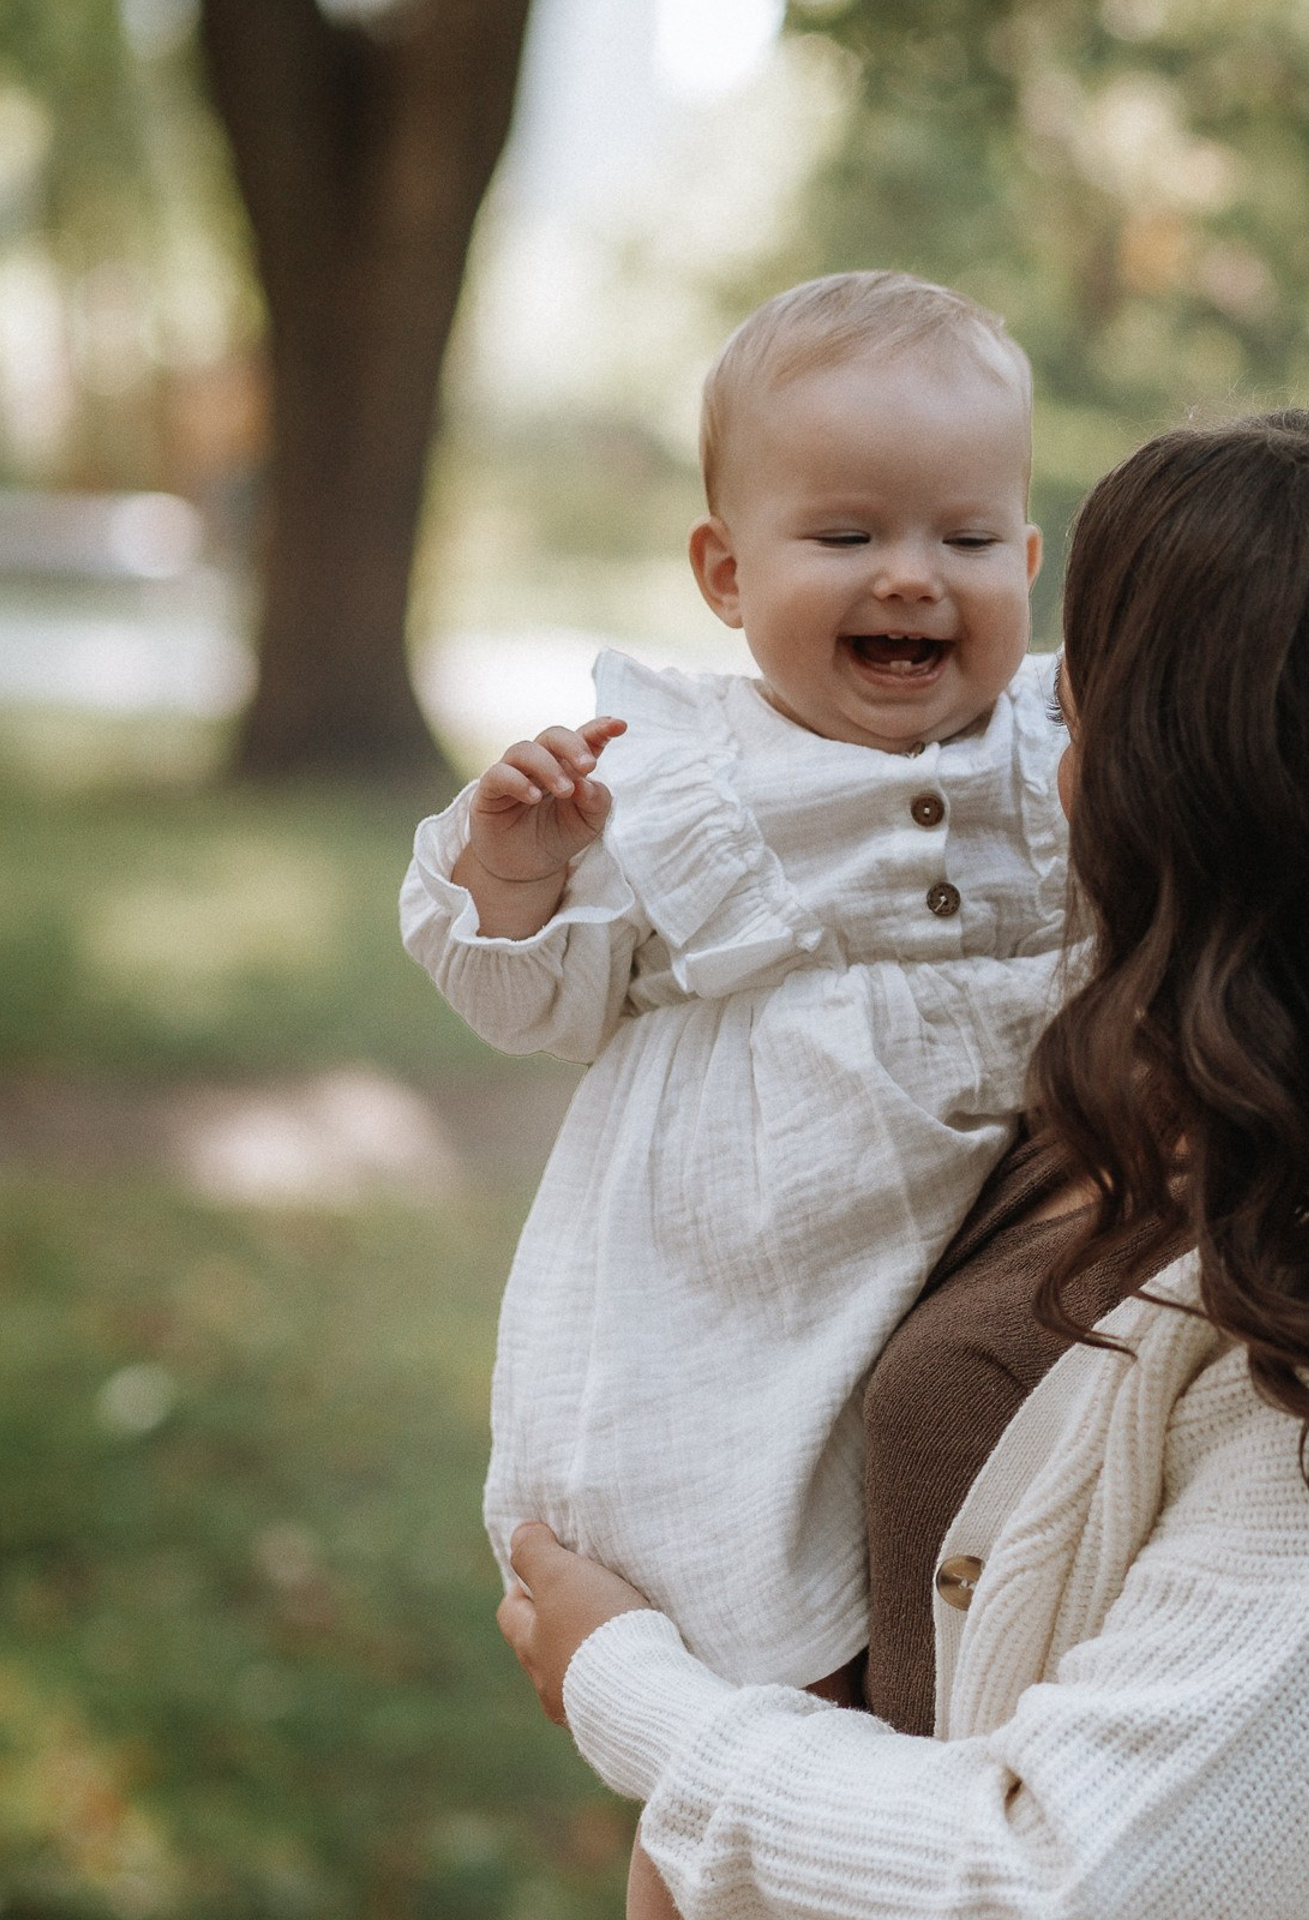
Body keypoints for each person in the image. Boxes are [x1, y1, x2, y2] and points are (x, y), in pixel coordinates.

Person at [496, 410, 1309, 1919]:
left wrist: (633, 1694)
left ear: (1209, 793)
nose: (1038, 728)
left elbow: (1066, 1876)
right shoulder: (1148, 1067)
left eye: (1088, 690)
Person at [400, 272, 1061, 1911]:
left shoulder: (1057, 754)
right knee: (751, 1640)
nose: (912, 575)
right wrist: (511, 873)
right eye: (845, 537)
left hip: (974, 1272)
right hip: (750, 1287)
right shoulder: (683, 777)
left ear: (1028, 563)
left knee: (929, 1645)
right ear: (724, 570)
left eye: (966, 539)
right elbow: (528, 1002)